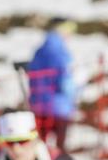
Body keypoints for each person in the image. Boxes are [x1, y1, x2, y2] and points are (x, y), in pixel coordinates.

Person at [27, 17, 77, 150]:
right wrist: (75, 90)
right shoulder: (60, 52)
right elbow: (65, 82)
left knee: (39, 146)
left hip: (38, 106)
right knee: (60, 149)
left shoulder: (39, 51)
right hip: (58, 107)